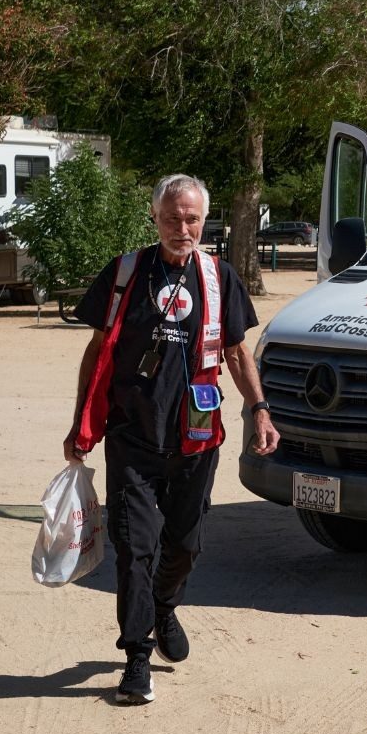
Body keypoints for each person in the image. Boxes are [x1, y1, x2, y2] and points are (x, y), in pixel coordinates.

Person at [63, 174, 279, 704]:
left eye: (192, 219)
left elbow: (237, 353)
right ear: (155, 218)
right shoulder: (126, 274)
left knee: (183, 543)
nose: (182, 228)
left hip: (197, 437)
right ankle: (136, 657)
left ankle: (164, 605)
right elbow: (95, 353)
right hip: (133, 434)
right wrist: (79, 424)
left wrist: (260, 410)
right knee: (134, 548)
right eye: (171, 218)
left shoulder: (218, 275)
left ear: (205, 221)